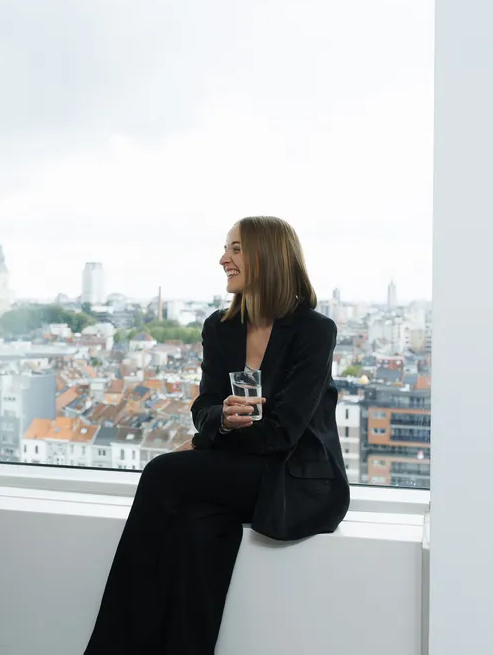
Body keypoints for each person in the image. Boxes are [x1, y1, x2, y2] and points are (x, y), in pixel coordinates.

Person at [85, 215, 350, 655]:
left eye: (236, 248)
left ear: (269, 256)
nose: (223, 258)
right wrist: (220, 422)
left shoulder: (314, 331)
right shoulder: (220, 327)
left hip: (297, 479)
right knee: (196, 529)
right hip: (243, 468)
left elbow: (283, 434)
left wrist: (211, 438)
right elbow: (203, 406)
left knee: (162, 473)